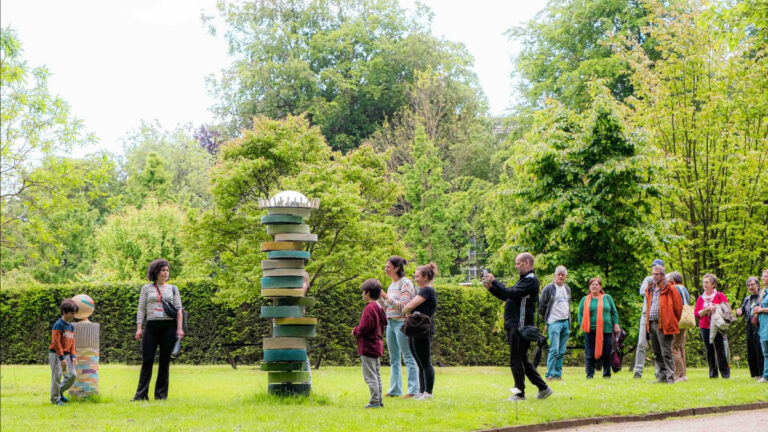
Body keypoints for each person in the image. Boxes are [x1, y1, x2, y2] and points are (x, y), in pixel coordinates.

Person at [484, 253, 553, 401]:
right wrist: (491, 287)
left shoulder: (531, 280)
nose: (516, 266)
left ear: (527, 263)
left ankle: (519, 393)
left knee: (516, 360)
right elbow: (507, 296)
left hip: (519, 327)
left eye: (518, 263)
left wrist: (495, 281)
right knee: (522, 359)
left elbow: (511, 293)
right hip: (515, 325)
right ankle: (543, 388)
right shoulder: (523, 280)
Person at [132, 259, 184, 401]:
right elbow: (141, 309)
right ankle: (141, 395)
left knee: (164, 361)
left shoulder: (173, 289)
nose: (166, 273)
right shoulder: (146, 289)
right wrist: (139, 327)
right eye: (163, 270)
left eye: (167, 270)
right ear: (156, 272)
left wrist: (179, 329)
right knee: (147, 360)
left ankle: (161, 395)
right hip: (151, 327)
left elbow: (179, 309)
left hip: (169, 327)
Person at [377, 256, 418, 398]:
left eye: (388, 266)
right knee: (393, 359)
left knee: (408, 357)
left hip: (402, 323)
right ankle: (395, 390)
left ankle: (413, 390)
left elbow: (404, 307)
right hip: (390, 323)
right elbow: (387, 307)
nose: (386, 269)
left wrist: (386, 297)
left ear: (396, 268)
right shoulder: (391, 285)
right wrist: (380, 298)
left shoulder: (405, 283)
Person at [403, 262, 439, 400]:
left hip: (422, 329)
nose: (415, 278)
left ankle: (428, 392)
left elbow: (411, 305)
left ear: (425, 277)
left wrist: (405, 309)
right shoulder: (422, 290)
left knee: (425, 361)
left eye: (417, 276)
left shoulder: (427, 290)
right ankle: (422, 391)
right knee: (419, 361)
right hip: (416, 328)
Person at [352, 279, 388, 408]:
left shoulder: (369, 308)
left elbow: (364, 327)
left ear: (367, 293)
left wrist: (355, 331)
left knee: (370, 376)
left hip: (368, 346)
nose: (362, 294)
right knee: (376, 375)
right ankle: (378, 400)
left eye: (363, 292)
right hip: (377, 345)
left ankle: (374, 402)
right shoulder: (379, 307)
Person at [644, 264, 682, 384]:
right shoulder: (650, 289)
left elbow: (678, 308)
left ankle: (670, 378)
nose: (654, 276)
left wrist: (670, 320)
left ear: (662, 275)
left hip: (664, 324)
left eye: (656, 274)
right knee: (657, 352)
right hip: (652, 324)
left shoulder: (671, 289)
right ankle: (662, 376)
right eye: (653, 274)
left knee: (666, 351)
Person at [577, 277, 620, 379]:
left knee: (606, 353)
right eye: (592, 284)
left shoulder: (607, 298)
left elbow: (614, 312)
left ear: (600, 287)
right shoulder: (585, 299)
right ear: (589, 287)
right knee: (589, 354)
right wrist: (582, 325)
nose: (594, 286)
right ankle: (589, 375)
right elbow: (580, 314)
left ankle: (606, 374)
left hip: (606, 330)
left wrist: (616, 324)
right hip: (590, 330)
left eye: (597, 284)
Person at [694, 273, 730, 379]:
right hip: (704, 326)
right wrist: (705, 310)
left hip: (717, 326)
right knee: (709, 350)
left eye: (707, 282)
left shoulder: (720, 295)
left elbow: (727, 309)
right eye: (703, 282)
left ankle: (725, 374)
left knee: (720, 350)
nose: (705, 284)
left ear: (713, 284)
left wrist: (716, 307)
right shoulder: (701, 298)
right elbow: (696, 314)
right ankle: (713, 374)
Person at [538, 266, 571, 381]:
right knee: (554, 350)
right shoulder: (549, 288)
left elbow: (568, 305)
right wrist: (547, 321)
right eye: (559, 274)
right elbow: (541, 306)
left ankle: (558, 374)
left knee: (561, 351)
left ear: (565, 276)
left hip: (565, 322)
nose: (561, 276)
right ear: (555, 275)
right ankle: (550, 374)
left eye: (563, 274)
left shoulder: (567, 289)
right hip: (554, 322)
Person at [633, 259, 664, 379]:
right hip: (646, 315)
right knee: (641, 343)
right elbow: (642, 292)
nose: (654, 271)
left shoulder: (665, 282)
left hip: (658, 317)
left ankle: (659, 371)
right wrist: (652, 284)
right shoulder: (648, 279)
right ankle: (638, 371)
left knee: (659, 345)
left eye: (657, 268)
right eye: (653, 269)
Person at [49, 299, 78, 405]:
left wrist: (73, 356)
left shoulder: (71, 326)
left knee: (72, 375)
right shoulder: (58, 325)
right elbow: (56, 342)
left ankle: (59, 392)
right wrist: (61, 358)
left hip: (67, 355)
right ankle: (55, 400)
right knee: (57, 377)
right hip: (56, 355)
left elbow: (72, 342)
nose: (73, 315)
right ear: (64, 312)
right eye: (72, 313)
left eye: (74, 313)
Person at [736, 276, 764, 379]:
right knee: (750, 349)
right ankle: (754, 374)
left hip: (760, 324)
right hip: (749, 325)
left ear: (758, 285)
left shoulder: (762, 296)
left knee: (759, 349)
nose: (750, 287)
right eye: (748, 285)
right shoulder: (747, 299)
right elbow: (742, 310)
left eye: (752, 284)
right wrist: (738, 311)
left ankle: (762, 373)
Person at [667, 271, 690, 382]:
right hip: (686, 319)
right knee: (681, 347)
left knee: (674, 347)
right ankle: (683, 373)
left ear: (673, 280)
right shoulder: (684, 289)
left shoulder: (674, 288)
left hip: (678, 319)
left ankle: (679, 375)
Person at [753, 273, 768, 383]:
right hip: (763, 325)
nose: (763, 278)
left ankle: (765, 375)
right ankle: (766, 375)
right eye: (762, 276)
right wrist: (758, 308)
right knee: (765, 352)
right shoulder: (762, 291)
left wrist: (761, 310)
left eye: (766, 276)